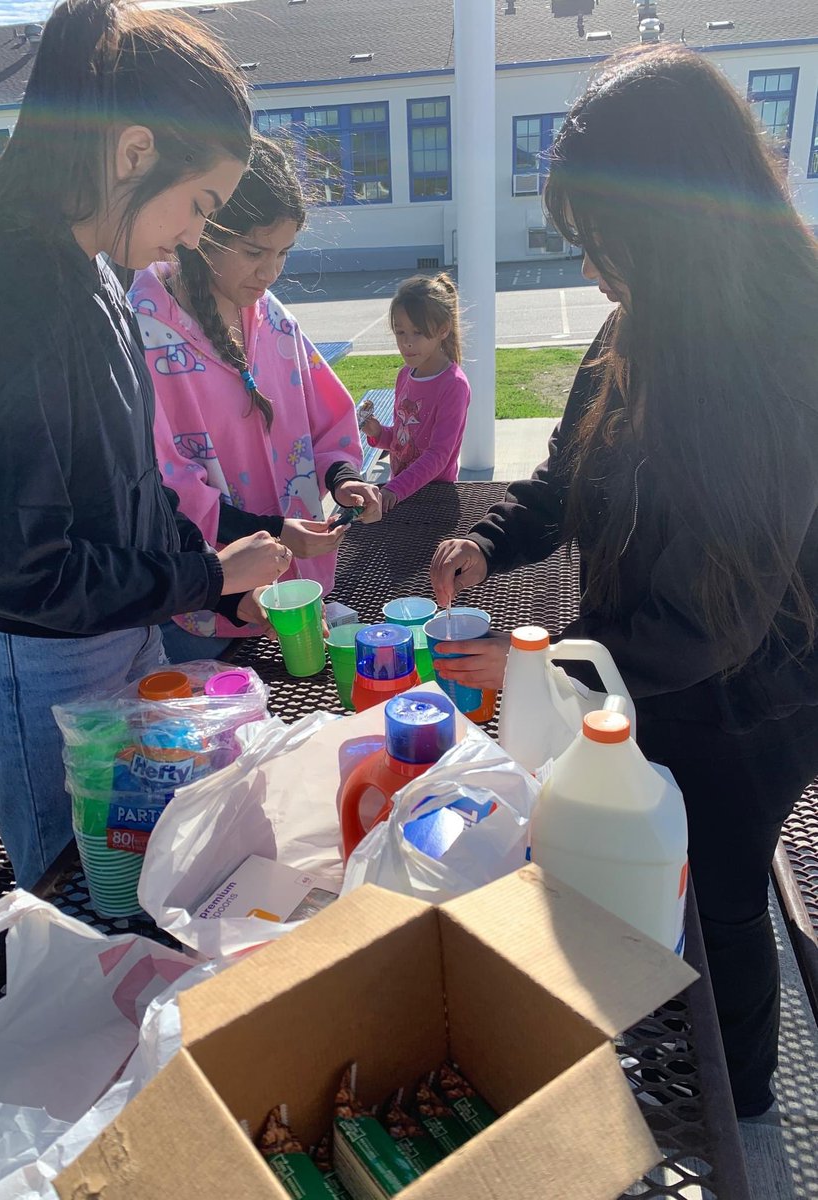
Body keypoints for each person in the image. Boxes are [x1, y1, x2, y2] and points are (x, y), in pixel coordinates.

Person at [430, 45, 818, 1118]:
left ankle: (735, 1098)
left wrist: (542, 663)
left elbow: (714, 617)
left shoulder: (783, 340)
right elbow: (561, 483)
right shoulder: (636, 321)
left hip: (758, 698)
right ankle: (649, 1032)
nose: (596, 269)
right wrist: (490, 543)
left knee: (725, 885)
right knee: (638, 855)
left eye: (607, 242)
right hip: (641, 665)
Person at [0, 0, 292, 889]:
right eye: (200, 204)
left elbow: (130, 475)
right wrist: (205, 579)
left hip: (108, 633)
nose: (197, 236)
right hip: (37, 657)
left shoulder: (87, 261)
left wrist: (203, 570)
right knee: (80, 900)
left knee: (148, 877)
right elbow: (28, 572)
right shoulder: (9, 281)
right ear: (133, 152)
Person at [128, 135, 381, 659]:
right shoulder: (149, 333)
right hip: (207, 610)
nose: (270, 273)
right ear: (204, 232)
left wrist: (344, 478)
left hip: (297, 590)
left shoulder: (273, 318)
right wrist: (270, 532)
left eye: (283, 253)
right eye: (254, 252)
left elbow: (326, 420)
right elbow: (165, 486)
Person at [361, 274, 470, 514]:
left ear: (443, 330)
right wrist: (379, 434)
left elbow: (439, 455)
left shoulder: (453, 385)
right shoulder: (404, 376)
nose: (407, 343)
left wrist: (394, 488)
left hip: (435, 499)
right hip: (402, 495)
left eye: (418, 332)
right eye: (400, 332)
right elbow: (404, 441)